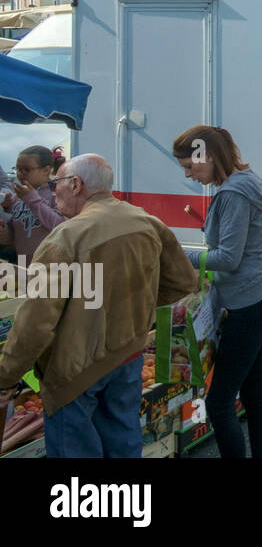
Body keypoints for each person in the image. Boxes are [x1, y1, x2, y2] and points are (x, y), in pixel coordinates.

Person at [0, 154, 198, 457]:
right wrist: (132, 309)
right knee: (123, 444)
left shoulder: (64, 238)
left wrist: (6, 376)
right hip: (128, 354)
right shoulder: (147, 222)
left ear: (76, 184)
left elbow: (35, 324)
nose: (53, 193)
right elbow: (183, 281)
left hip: (74, 368)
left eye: (56, 184)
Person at [173, 125, 262, 458]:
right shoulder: (246, 181)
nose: (190, 175)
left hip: (249, 303)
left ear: (207, 156)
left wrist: (178, 254)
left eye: (191, 166)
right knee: (255, 398)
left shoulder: (232, 193)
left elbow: (228, 258)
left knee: (219, 405)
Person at [0, 146, 68, 262]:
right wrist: (3, 230)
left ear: (46, 170)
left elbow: (61, 227)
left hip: (52, 265)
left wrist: (32, 199)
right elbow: (12, 239)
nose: (20, 174)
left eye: (26, 170)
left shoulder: (57, 193)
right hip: (23, 264)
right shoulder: (16, 198)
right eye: (18, 169)